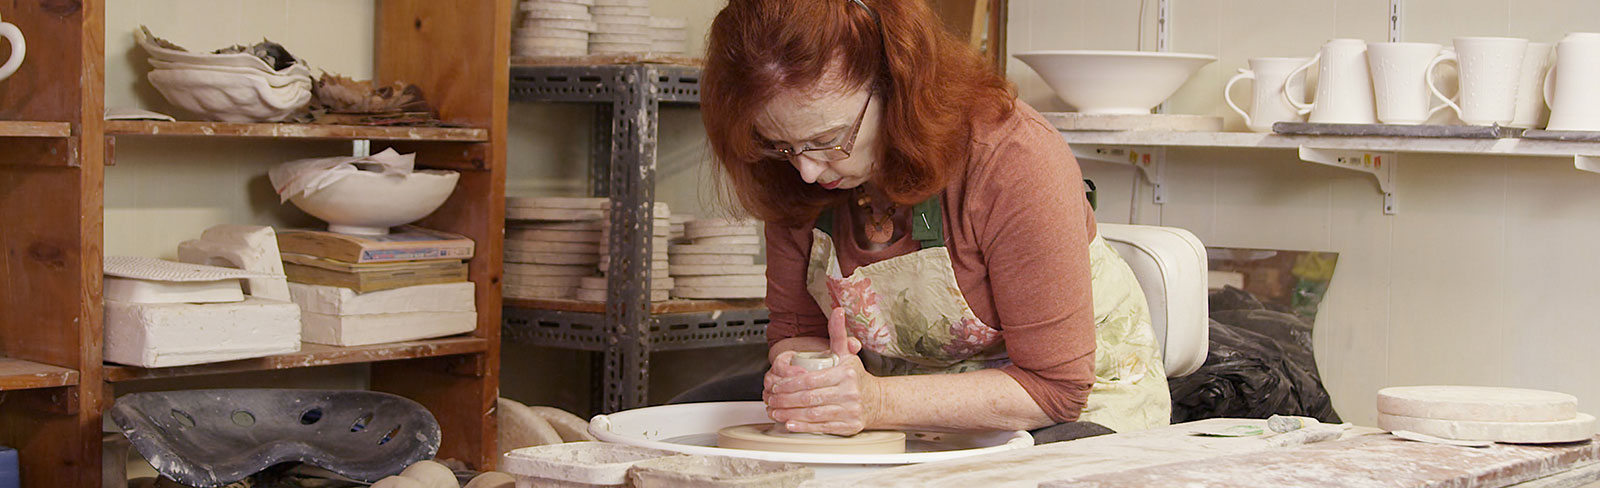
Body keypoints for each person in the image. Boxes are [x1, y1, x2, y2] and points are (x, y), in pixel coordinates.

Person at [689, 0, 1170, 442]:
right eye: (782, 145)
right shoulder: (793, 172)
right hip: (893, 409)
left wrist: (874, 402)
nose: (808, 170)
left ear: (895, 84)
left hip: (1071, 408)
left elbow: (1055, 388)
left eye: (828, 139)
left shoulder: (1013, 158)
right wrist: (811, 387)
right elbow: (797, 329)